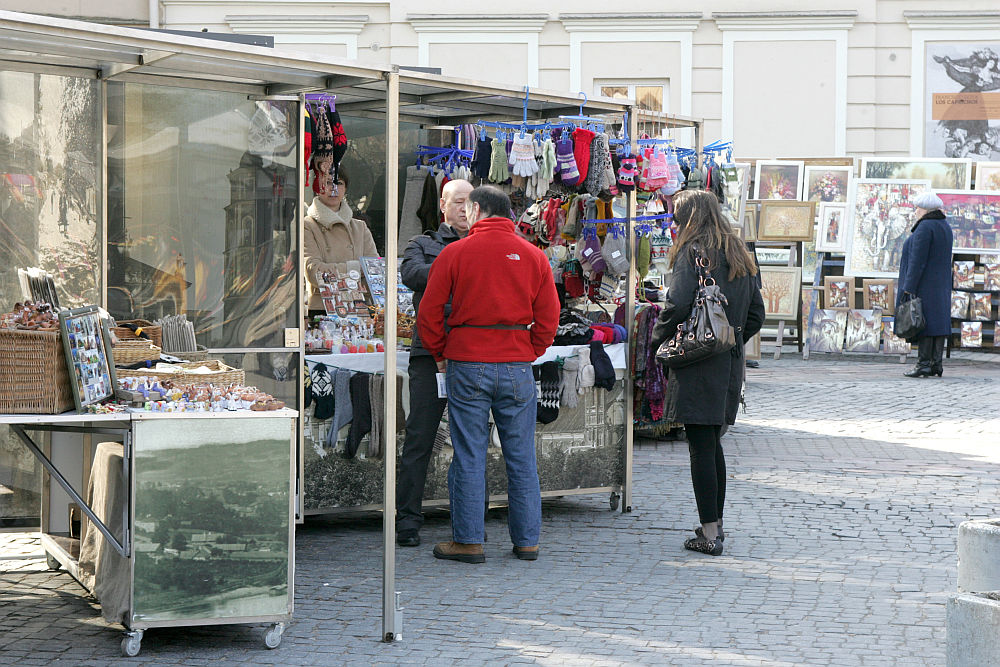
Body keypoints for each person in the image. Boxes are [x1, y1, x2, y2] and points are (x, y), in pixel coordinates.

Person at [417, 185, 560, 564]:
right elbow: (549, 317)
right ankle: (527, 541)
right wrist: (529, 350)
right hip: (516, 364)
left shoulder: (455, 253)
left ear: (477, 209)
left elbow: (429, 313)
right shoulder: (533, 256)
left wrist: (439, 353)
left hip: (467, 362)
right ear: (509, 215)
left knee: (468, 453)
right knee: (521, 455)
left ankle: (469, 540)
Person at [650, 190, 765, 557]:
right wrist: (729, 339)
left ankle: (710, 533)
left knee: (701, 445)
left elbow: (678, 302)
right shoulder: (739, 251)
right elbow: (757, 315)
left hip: (698, 361)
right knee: (712, 443)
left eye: (676, 218)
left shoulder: (693, 253)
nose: (673, 225)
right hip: (729, 363)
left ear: (688, 219)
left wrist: (658, 338)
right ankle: (715, 524)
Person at [395, 179, 474, 548]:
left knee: (470, 442)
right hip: (430, 355)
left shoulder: (483, 244)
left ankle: (471, 520)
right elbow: (411, 274)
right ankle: (408, 520)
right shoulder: (422, 244)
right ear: (443, 206)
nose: (464, 208)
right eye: (457, 202)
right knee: (419, 438)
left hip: (472, 355)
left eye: (469, 202)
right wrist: (459, 270)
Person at [303, 168, 378, 312]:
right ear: (318, 188)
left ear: (346, 188)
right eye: (328, 183)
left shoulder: (360, 227)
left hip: (358, 308)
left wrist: (334, 271)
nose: (334, 188)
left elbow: (372, 271)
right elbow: (314, 272)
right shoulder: (307, 226)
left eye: (339, 183)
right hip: (323, 310)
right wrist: (355, 269)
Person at [897, 192, 954, 378]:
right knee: (938, 322)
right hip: (940, 284)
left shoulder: (924, 227)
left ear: (926, 210)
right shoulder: (944, 226)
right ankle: (936, 364)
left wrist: (909, 286)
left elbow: (917, 261)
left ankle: (923, 365)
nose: (915, 212)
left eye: (918, 208)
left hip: (925, 284)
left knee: (925, 323)